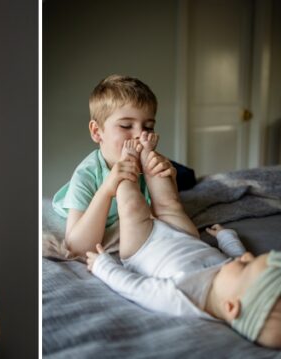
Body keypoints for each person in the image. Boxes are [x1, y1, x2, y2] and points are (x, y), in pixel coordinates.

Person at [85, 140, 281, 348]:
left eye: (246, 266)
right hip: (185, 236)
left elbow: (135, 288)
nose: (247, 256)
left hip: (142, 247)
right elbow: (237, 255)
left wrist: (102, 266)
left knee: (131, 206)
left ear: (231, 306)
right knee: (171, 203)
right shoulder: (231, 280)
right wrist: (226, 236)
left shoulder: (182, 299)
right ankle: (149, 156)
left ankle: (127, 161)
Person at [52, 75, 193, 257]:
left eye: (148, 127)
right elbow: (76, 247)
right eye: (126, 125)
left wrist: (169, 179)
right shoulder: (86, 175)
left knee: (182, 174)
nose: (140, 134)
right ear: (97, 132)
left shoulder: (146, 163)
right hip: (97, 196)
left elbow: (168, 212)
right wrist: (107, 189)